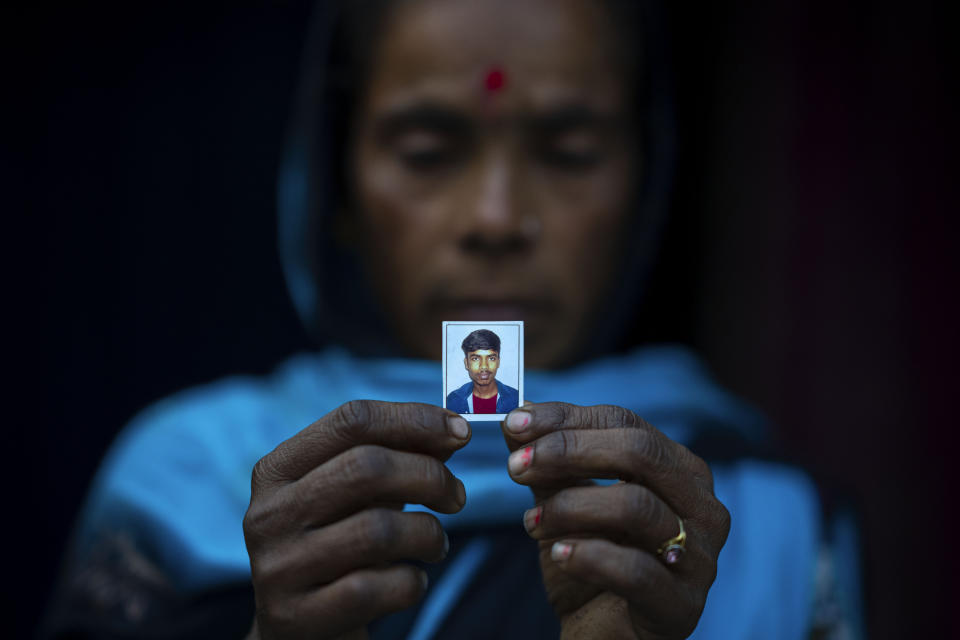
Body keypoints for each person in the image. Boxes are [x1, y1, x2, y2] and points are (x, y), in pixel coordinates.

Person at [44, 0, 863, 638]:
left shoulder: (762, 520)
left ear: (647, 189)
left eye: (570, 152)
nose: (496, 218)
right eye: (428, 152)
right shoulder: (184, 483)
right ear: (338, 188)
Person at [446, 329, 519, 414]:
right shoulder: (453, 400)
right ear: (466, 363)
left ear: (498, 362)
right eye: (475, 358)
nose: (484, 366)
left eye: (491, 358)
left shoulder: (516, 398)